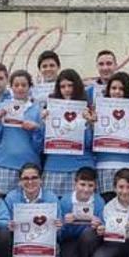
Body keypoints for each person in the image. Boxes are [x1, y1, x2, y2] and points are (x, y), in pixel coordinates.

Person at [0, 163, 62, 257]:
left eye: (34, 178)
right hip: (20, 248)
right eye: (25, 178)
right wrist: (8, 225)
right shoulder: (11, 197)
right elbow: (4, 223)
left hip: (43, 247)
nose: (30, 182)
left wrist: (58, 227)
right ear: (20, 182)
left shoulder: (51, 198)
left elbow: (59, 234)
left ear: (41, 180)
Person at [40, 69, 95, 199]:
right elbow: (42, 142)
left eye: (70, 85)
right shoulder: (49, 107)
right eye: (63, 86)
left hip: (81, 167)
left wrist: (88, 124)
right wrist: (43, 122)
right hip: (55, 166)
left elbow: (89, 143)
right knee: (55, 210)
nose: (67, 89)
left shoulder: (88, 108)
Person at [91, 72, 129, 198]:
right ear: (108, 90)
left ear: (127, 91)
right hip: (104, 167)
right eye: (113, 88)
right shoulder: (97, 112)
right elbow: (90, 142)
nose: (117, 92)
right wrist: (91, 125)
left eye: (121, 89)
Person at [55, 167, 105, 257]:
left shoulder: (99, 202)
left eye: (90, 185)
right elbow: (59, 236)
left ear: (95, 186)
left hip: (91, 241)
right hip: (70, 240)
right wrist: (64, 223)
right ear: (75, 183)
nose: (86, 189)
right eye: (82, 184)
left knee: (88, 235)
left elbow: (104, 229)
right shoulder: (65, 201)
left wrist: (99, 226)